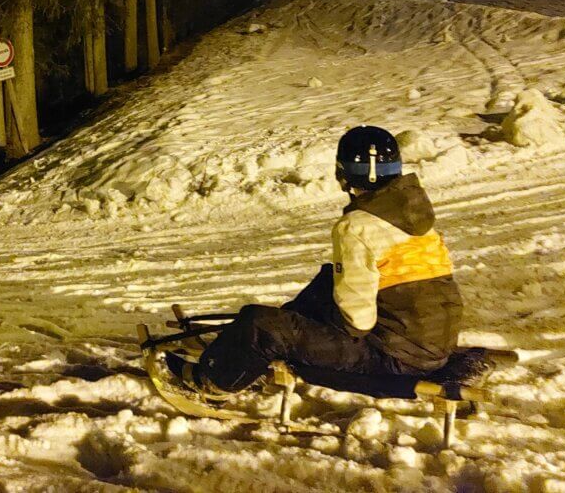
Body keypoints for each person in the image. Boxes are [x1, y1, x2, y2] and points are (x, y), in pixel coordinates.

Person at [168, 126, 462, 395]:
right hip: (432, 346)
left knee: (260, 323)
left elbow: (357, 322)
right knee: (327, 281)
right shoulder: (414, 215)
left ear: (343, 173)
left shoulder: (357, 226)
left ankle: (212, 382)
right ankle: (257, 346)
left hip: (393, 357)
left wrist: (301, 329)